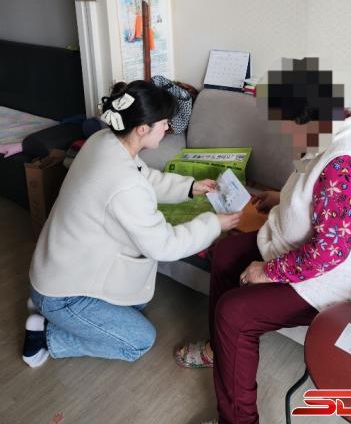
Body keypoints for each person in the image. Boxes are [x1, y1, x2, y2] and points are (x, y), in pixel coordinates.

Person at [176, 58, 351, 424]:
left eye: (286, 125)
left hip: (333, 280)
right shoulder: (334, 130)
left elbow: (328, 253)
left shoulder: (345, 164)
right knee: (226, 253)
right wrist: (281, 199)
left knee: (235, 314)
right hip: (300, 247)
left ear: (306, 118)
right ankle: (219, 350)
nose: (285, 134)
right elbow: (320, 194)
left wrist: (268, 271)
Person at [22, 80, 240, 368]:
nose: (168, 128)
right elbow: (165, 245)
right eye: (164, 123)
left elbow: (144, 177)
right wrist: (214, 224)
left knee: (137, 302)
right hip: (62, 291)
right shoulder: (125, 185)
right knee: (138, 341)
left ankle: (49, 309)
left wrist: (190, 187)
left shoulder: (104, 141)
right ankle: (45, 335)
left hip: (57, 267)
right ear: (142, 129)